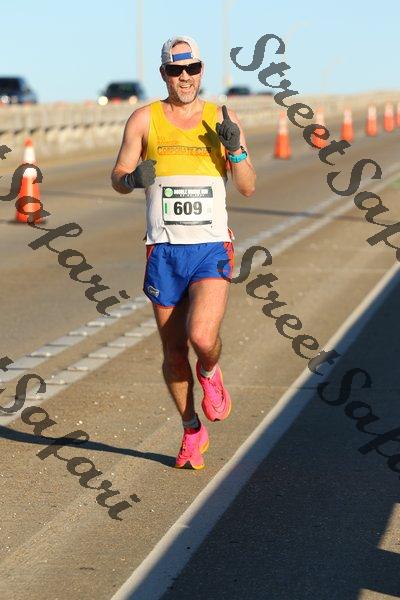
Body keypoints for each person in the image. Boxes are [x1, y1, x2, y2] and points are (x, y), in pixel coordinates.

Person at [111, 36, 256, 469]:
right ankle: (191, 429)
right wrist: (132, 179)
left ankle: (209, 372)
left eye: (192, 68)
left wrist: (235, 149)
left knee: (202, 338)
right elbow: (118, 175)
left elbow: (248, 187)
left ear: (201, 70)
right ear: (164, 74)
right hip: (164, 251)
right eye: (176, 70)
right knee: (174, 352)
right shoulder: (144, 119)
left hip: (210, 247)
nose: (185, 77)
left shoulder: (222, 118)